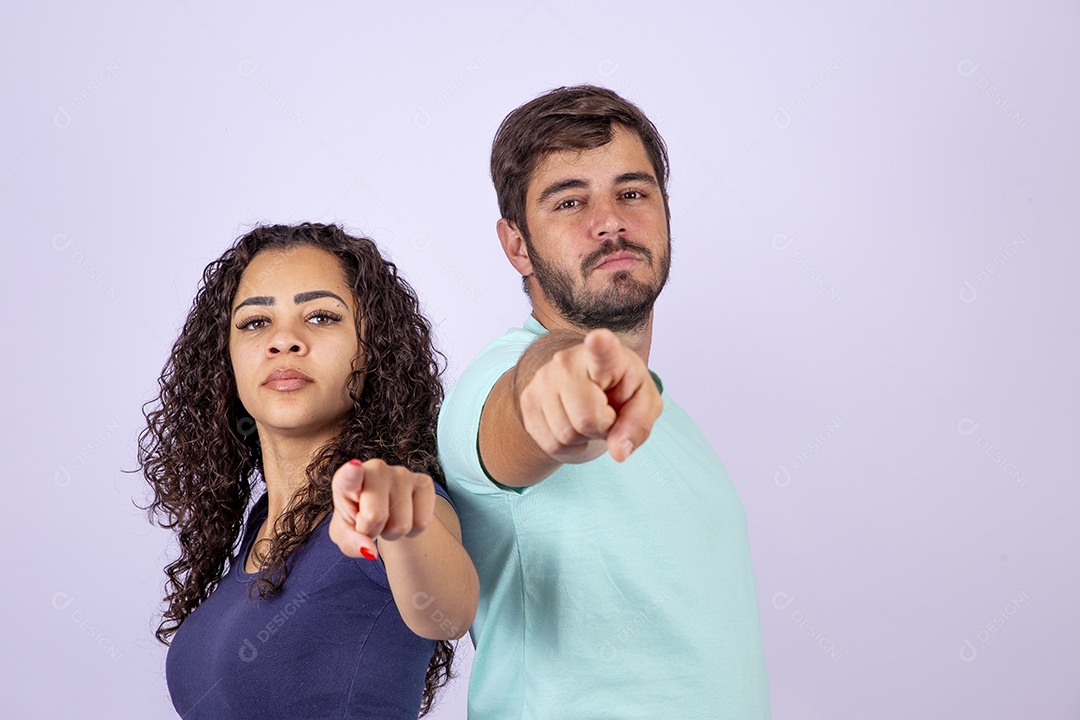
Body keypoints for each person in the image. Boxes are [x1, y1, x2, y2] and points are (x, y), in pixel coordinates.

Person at [437, 86, 771, 718]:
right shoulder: (490, 385)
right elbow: (530, 405)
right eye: (570, 201)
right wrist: (558, 381)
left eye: (632, 192)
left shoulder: (678, 426)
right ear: (516, 245)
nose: (611, 220)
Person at [139, 222, 478, 719]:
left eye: (321, 316)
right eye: (255, 322)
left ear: (371, 350)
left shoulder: (388, 494)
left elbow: (447, 611)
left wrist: (402, 524)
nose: (284, 340)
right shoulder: (257, 526)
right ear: (224, 358)